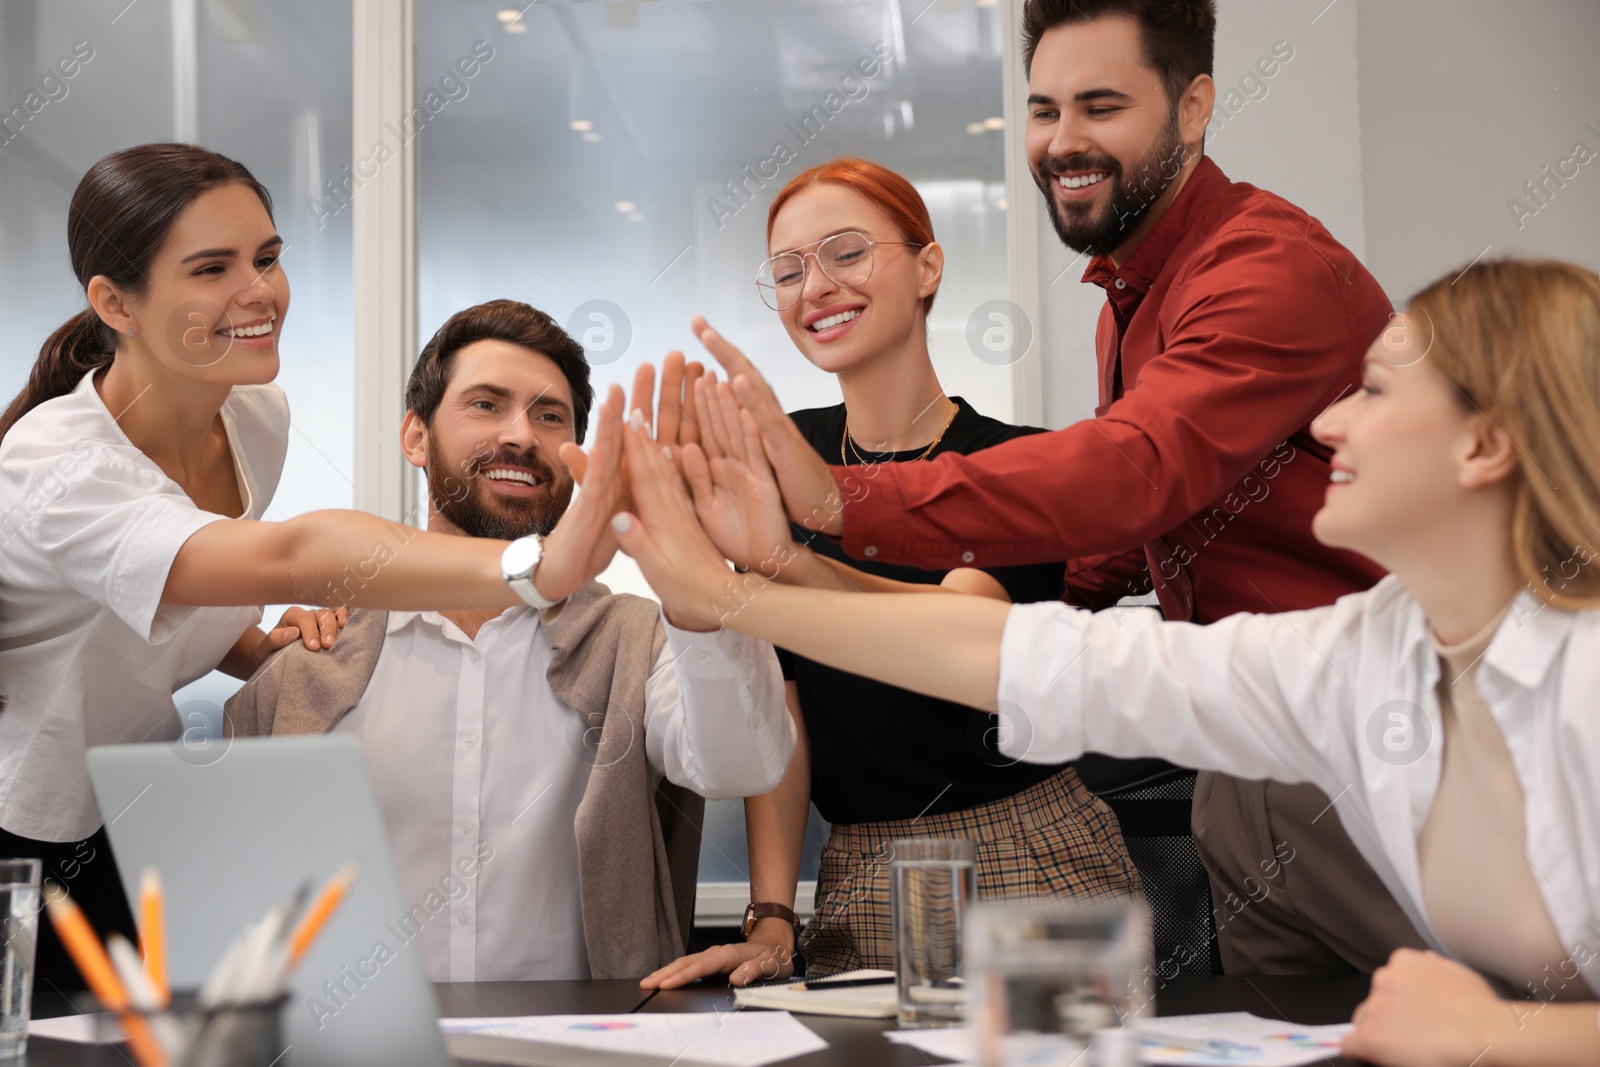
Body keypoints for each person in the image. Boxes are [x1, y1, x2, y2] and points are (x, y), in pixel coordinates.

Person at [611, 257, 1600, 1065]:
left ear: (1486, 444)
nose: (1328, 422)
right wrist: (743, 589)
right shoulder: (1364, 651)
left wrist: (1492, 1031)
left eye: (1373, 391)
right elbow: (1048, 658)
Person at [683, 0, 1427, 976]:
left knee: (1437, 1023)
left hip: (1357, 739)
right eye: (1042, 109)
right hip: (1243, 749)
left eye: (1101, 105)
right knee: (1280, 1032)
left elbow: (1132, 473)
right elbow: (1078, 564)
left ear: (1193, 106)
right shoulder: (1126, 299)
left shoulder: (1262, 269)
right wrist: (772, 566)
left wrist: (834, 509)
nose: (1062, 140)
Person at [0, 144, 654, 990]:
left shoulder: (252, 417)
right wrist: (538, 562)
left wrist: (254, 647)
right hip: (21, 830)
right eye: (210, 268)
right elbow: (287, 556)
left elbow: (164, 583)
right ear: (115, 302)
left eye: (267, 258)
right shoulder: (56, 463)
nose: (257, 292)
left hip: (126, 820)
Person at [640, 159, 1139, 990]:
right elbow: (782, 703)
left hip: (1029, 847)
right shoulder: (776, 460)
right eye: (790, 270)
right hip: (862, 869)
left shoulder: (1014, 462)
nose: (817, 287)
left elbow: (955, 644)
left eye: (846, 252)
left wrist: (775, 571)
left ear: (929, 267)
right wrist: (771, 915)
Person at [225, 300, 793, 981]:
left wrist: (701, 576)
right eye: (487, 404)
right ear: (415, 437)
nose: (521, 435)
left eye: (550, 415)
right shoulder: (314, 660)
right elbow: (233, 910)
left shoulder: (636, 641)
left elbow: (741, 765)